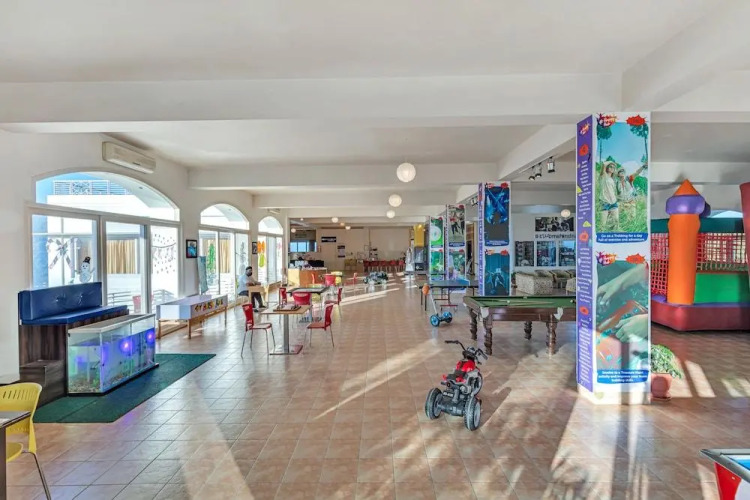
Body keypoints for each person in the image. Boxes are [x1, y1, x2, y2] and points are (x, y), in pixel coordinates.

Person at [599, 161, 619, 231]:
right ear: (607, 168)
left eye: (613, 167)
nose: (612, 168)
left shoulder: (612, 179)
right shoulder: (603, 176)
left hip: (613, 202)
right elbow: (604, 164)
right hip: (604, 202)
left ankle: (614, 234)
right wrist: (611, 162)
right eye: (610, 166)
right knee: (603, 224)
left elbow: (613, 191)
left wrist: (616, 199)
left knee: (616, 221)